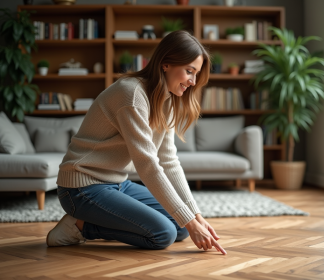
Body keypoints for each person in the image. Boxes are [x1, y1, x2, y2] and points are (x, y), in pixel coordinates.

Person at [46, 30, 227, 255]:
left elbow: (169, 161)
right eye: (189, 71)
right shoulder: (131, 95)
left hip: (117, 184)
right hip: (82, 187)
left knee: (181, 228)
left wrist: (196, 217)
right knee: (164, 233)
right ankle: (80, 227)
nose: (193, 81)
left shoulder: (167, 99)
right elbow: (147, 164)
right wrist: (190, 222)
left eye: (196, 74)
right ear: (166, 64)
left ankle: (98, 221)